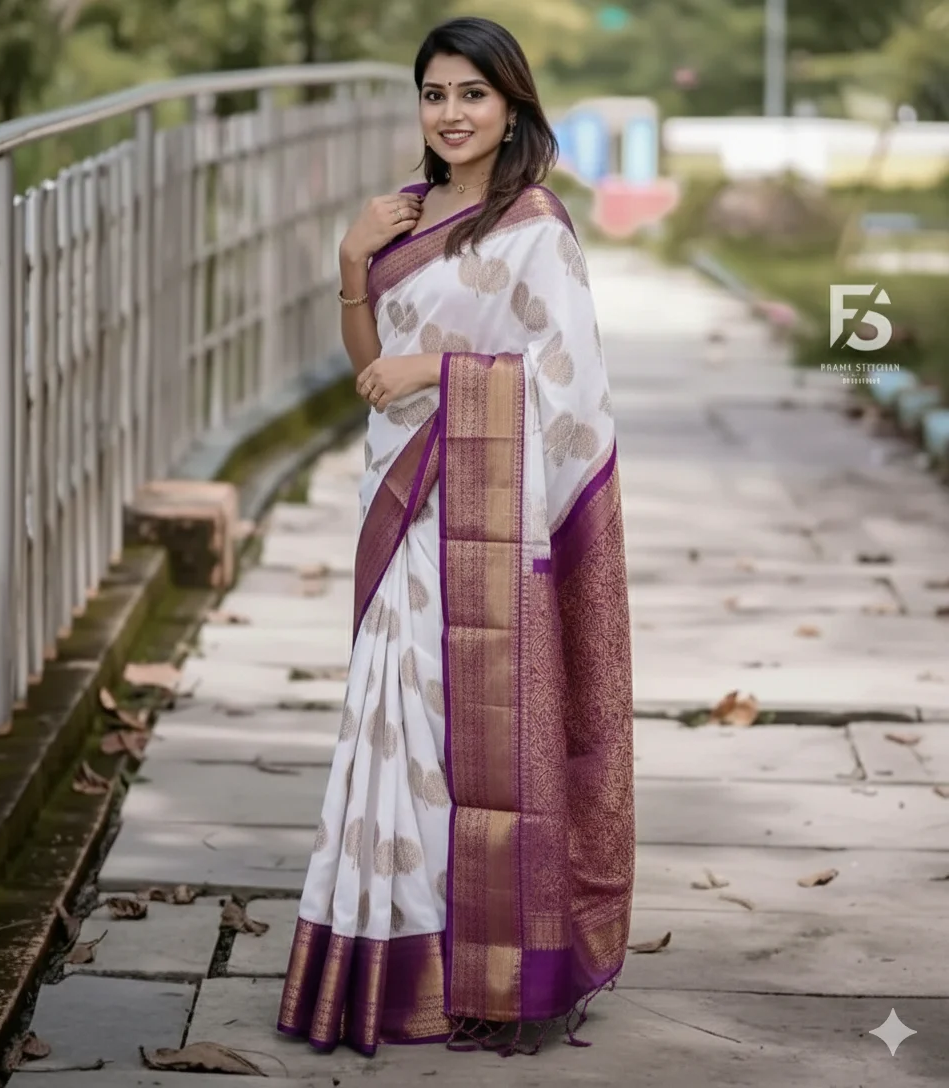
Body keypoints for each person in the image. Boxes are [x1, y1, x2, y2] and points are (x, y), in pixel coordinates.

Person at [277, 15, 634, 1058]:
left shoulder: (535, 228)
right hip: (401, 495)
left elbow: (571, 388)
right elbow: (367, 364)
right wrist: (352, 260)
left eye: (473, 94)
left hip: (483, 518)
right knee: (392, 725)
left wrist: (441, 373)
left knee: (460, 731)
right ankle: (390, 953)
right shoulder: (402, 214)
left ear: (512, 105)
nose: (451, 113)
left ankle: (485, 959)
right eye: (434, 94)